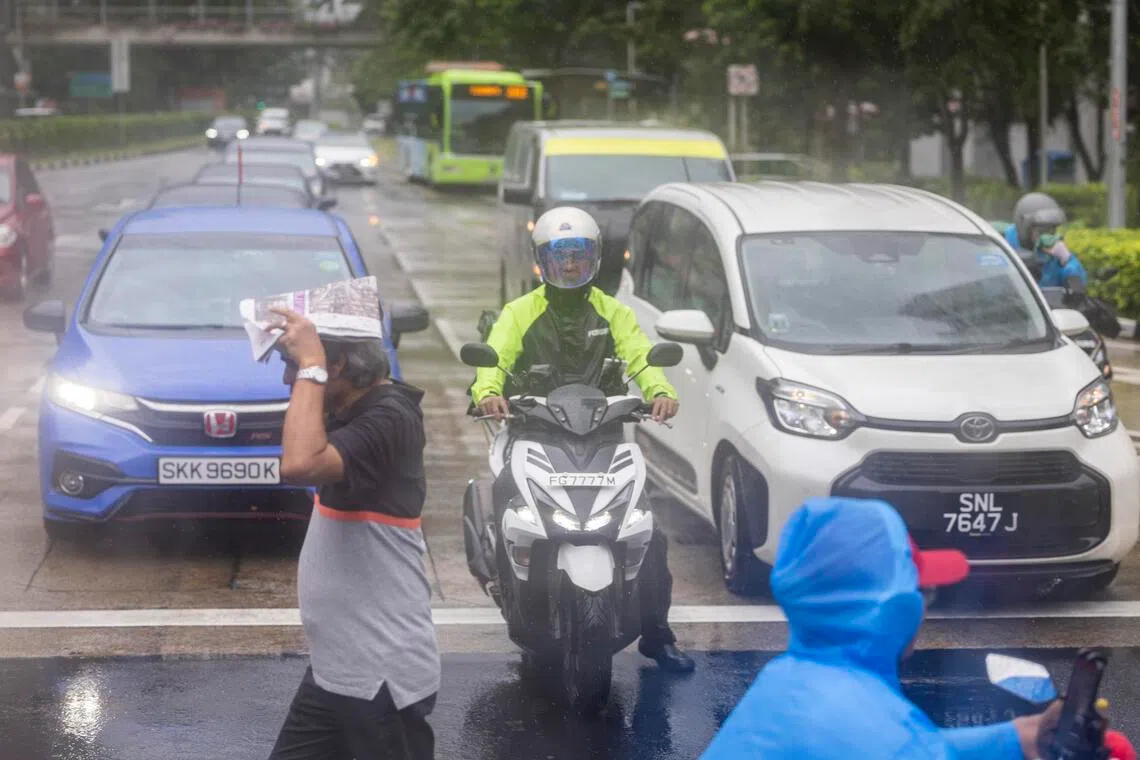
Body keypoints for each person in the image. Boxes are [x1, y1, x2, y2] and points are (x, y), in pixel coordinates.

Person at [470, 205, 693, 674]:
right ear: (542, 261)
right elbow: (494, 357)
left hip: (606, 435)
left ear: (594, 259)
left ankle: (657, 635)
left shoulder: (615, 313)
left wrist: (659, 392)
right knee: (507, 497)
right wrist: (487, 390)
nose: (569, 265)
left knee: (648, 534)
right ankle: (501, 576)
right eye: (560, 256)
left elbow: (642, 359)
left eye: (578, 255)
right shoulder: (519, 313)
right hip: (534, 430)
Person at [700, 497, 1062, 759]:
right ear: (897, 608)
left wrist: (1016, 739)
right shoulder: (887, 736)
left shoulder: (783, 684)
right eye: (924, 593)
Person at [266, 307, 440, 760]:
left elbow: (299, 464)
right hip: (336, 670)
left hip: (381, 676)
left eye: (291, 367)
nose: (290, 381)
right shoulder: (351, 409)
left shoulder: (390, 419)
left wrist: (310, 364)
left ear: (337, 365)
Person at [1005, 192, 1088, 289]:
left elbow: (1078, 288)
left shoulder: (1053, 255)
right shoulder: (1004, 253)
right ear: (1024, 228)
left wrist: (1067, 260)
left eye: (1052, 230)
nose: (1048, 236)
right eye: (1042, 231)